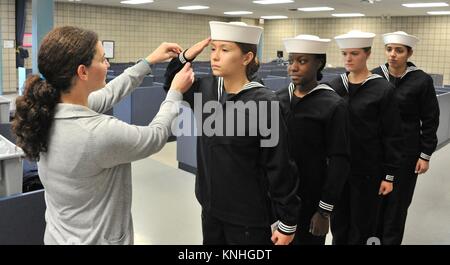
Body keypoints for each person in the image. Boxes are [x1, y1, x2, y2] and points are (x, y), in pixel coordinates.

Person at [12, 26, 194, 245]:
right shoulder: (97, 133)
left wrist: (148, 62)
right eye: (102, 59)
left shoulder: (47, 110)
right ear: (83, 72)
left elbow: (109, 94)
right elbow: (154, 137)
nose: (107, 64)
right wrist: (175, 92)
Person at [164, 21, 300, 245]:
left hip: (248, 218)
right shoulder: (206, 89)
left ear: (246, 58)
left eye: (225, 50)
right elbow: (172, 83)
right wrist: (186, 56)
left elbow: (280, 165)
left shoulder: (264, 102)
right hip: (211, 209)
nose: (215, 56)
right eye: (213, 49)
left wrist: (287, 221)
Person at [327, 30, 403, 245]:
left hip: (369, 169)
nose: (348, 59)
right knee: (339, 224)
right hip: (339, 169)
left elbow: (392, 134)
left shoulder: (382, 89)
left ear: (368, 54)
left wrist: (389, 175)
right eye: (344, 54)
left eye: (354, 53)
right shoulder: (335, 87)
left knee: (363, 225)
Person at [276, 35, 351, 245]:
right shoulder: (278, 98)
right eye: (291, 61)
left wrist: (324, 211)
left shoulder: (333, 105)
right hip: (277, 195)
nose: (293, 67)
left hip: (310, 197)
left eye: (302, 61)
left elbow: (340, 160)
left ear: (319, 63)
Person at [371, 31, 440, 245]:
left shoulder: (421, 80)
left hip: (407, 152)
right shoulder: (374, 76)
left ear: (409, 53)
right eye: (389, 49)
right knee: (374, 201)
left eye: (399, 50)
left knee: (398, 203)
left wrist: (425, 154)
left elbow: (430, 118)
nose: (392, 55)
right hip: (376, 150)